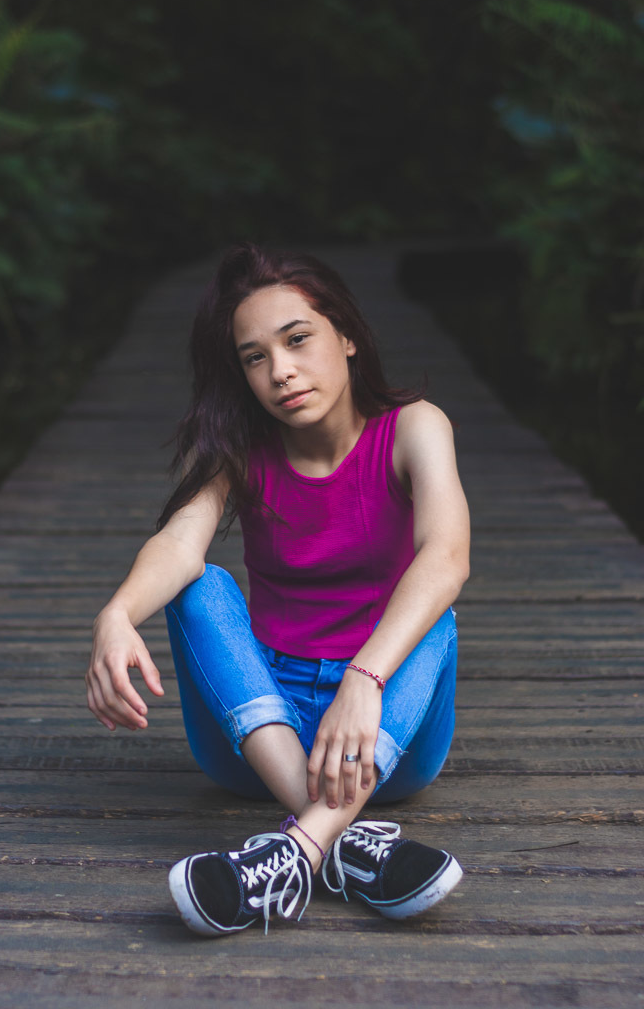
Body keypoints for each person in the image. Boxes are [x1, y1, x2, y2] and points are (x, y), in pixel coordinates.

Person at [86, 242, 470, 937]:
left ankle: (293, 850)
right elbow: (179, 543)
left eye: (297, 340)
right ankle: (334, 841)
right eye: (254, 357)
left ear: (347, 336)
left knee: (434, 614)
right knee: (200, 587)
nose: (280, 371)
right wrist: (115, 615)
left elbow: (446, 557)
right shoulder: (241, 450)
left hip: (386, 732)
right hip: (260, 740)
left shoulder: (415, 427)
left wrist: (363, 680)